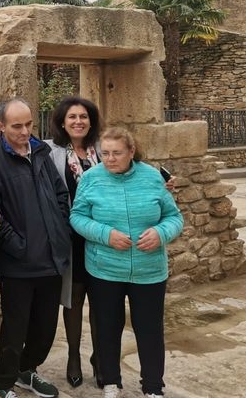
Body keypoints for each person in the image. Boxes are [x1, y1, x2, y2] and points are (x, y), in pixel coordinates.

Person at [70, 127, 183, 398]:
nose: (110, 159)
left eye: (117, 153)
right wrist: (105, 234)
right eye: (105, 153)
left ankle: (153, 387)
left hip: (149, 270)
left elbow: (174, 217)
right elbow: (77, 217)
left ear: (131, 152)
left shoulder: (152, 177)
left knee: (150, 330)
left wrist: (161, 233)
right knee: (108, 328)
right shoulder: (91, 178)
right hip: (105, 269)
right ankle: (111, 382)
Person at [0, 98, 72, 398]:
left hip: (52, 258)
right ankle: (2, 383)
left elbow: (60, 194)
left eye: (29, 124)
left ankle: (27, 370)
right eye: (16, 126)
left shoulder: (41, 152)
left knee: (45, 329)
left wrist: (59, 229)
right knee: (14, 330)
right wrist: (19, 245)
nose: (24, 131)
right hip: (18, 263)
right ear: (1, 126)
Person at [45, 96, 102, 389]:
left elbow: (133, 170)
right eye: (72, 117)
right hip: (71, 238)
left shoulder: (102, 150)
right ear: (62, 122)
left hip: (102, 237)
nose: (78, 121)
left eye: (83, 116)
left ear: (91, 121)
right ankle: (74, 356)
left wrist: (161, 181)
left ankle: (100, 356)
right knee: (74, 299)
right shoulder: (50, 152)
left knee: (102, 299)